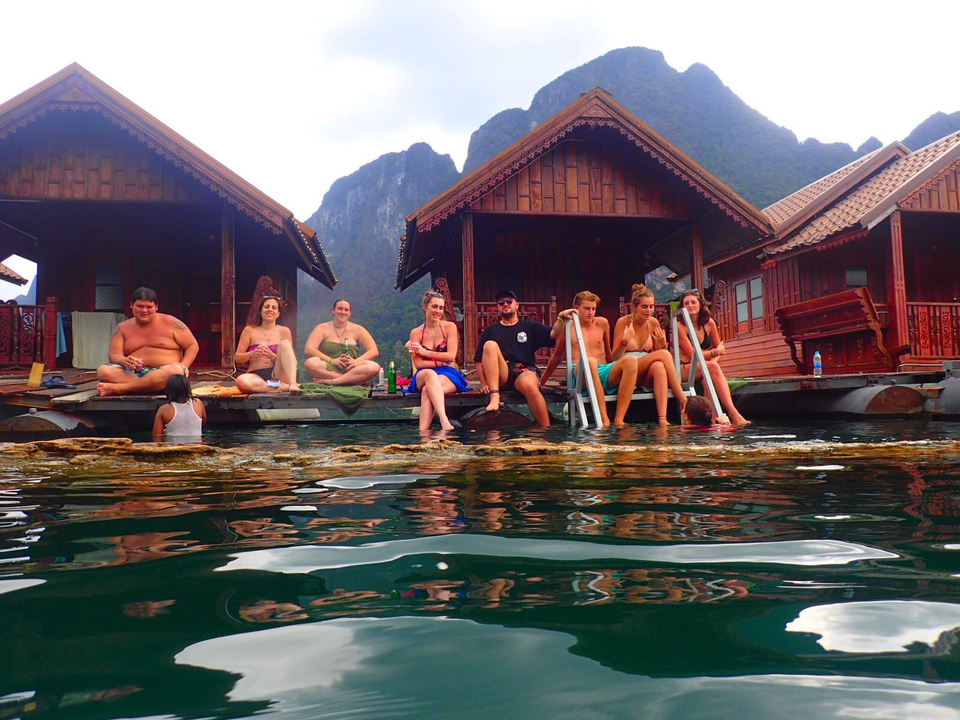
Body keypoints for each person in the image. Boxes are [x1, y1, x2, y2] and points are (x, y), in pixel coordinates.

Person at [475, 289, 577, 427]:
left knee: (529, 385)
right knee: (490, 345)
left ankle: (544, 429)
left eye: (509, 301)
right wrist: (484, 384)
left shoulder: (529, 326)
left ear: (517, 305)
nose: (505, 304)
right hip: (501, 373)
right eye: (501, 302)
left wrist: (560, 318)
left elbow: (553, 334)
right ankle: (495, 397)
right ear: (498, 307)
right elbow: (479, 360)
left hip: (523, 370)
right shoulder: (491, 330)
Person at [541, 290, 641, 427]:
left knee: (630, 360)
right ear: (577, 308)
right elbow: (557, 355)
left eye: (593, 309)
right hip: (579, 370)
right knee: (590, 361)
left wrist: (616, 367)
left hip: (602, 370)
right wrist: (542, 382)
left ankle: (619, 420)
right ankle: (604, 420)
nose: (591, 312)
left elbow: (608, 353)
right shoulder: (569, 327)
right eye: (587, 308)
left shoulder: (602, 323)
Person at [97, 287, 199, 397]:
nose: (144, 310)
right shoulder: (122, 328)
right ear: (131, 305)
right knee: (103, 370)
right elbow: (114, 355)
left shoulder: (171, 323)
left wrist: (184, 366)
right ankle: (150, 386)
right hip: (134, 374)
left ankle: (122, 388)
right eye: (140, 306)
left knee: (176, 370)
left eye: (149, 307)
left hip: (164, 371)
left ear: (156, 307)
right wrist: (124, 360)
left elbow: (192, 345)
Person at [611, 283, 688, 426]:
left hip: (644, 372)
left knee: (659, 366)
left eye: (651, 307)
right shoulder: (623, 322)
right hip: (627, 368)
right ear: (635, 307)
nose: (648, 310)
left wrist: (662, 344)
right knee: (664, 355)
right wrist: (625, 341)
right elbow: (614, 357)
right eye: (644, 307)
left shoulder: (653, 322)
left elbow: (658, 351)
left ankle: (662, 418)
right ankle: (683, 400)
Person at [676, 289, 750, 425]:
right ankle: (733, 412)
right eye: (686, 303)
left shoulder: (709, 323)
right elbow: (694, 355)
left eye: (693, 302)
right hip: (684, 368)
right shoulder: (679, 326)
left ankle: (713, 421)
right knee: (712, 367)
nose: (690, 305)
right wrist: (714, 355)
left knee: (708, 378)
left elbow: (721, 349)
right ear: (682, 307)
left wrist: (712, 361)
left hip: (702, 368)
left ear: (700, 304)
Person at [404, 289, 469, 431]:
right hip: (424, 374)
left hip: (448, 373)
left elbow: (451, 356)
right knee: (429, 374)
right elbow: (419, 364)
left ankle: (423, 435)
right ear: (425, 307)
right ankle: (444, 420)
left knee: (429, 390)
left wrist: (424, 352)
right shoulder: (415, 333)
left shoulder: (449, 327)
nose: (438, 311)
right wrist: (441, 361)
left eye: (441, 307)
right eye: (434, 306)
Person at [303, 299, 380, 385]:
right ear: (333, 310)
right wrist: (332, 361)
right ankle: (350, 380)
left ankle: (334, 382)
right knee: (310, 363)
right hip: (329, 367)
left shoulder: (358, 329)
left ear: (350, 313)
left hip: (352, 368)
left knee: (374, 367)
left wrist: (356, 362)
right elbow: (309, 349)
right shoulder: (322, 328)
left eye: (346, 310)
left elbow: (374, 350)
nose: (343, 312)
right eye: (340, 308)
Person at [234, 296, 299, 394]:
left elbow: (291, 359)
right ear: (261, 311)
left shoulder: (284, 331)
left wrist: (273, 357)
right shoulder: (250, 330)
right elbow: (237, 358)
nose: (270, 310)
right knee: (241, 381)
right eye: (267, 307)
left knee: (285, 343)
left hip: (277, 374)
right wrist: (251, 354)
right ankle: (282, 388)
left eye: (274, 308)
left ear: (278, 314)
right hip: (256, 375)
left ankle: (292, 383)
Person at [152, 374, 206, 441]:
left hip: (174, 449)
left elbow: (157, 436)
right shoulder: (198, 403)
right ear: (188, 388)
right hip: (197, 448)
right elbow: (203, 422)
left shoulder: (164, 410)